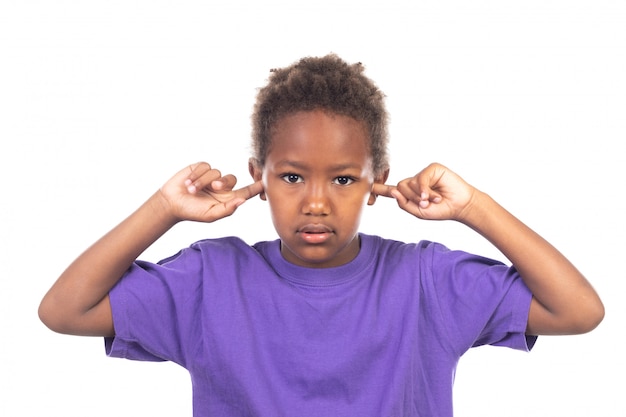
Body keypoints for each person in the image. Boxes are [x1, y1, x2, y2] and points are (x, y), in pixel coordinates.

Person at [39, 54, 604, 417]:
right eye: (290, 176)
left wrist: (473, 207)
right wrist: (164, 208)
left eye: (341, 178)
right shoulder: (210, 278)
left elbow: (578, 311)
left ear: (377, 180)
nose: (315, 201)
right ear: (258, 174)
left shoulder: (425, 279)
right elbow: (64, 311)